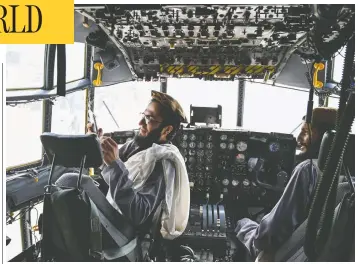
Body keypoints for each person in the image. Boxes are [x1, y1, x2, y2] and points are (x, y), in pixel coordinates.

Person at [235, 107, 338, 260]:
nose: (298, 139)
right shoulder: (348, 177)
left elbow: (270, 234)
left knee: (242, 223)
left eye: (304, 132)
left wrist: (245, 226)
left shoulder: (308, 170)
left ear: (321, 137)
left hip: (293, 253)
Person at [88, 90, 190, 240]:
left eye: (149, 119)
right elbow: (111, 168)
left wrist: (115, 165)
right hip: (111, 214)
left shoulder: (161, 163)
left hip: (123, 233)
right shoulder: (138, 145)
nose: (140, 123)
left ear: (167, 130)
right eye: (143, 115)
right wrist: (97, 145)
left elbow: (138, 213)